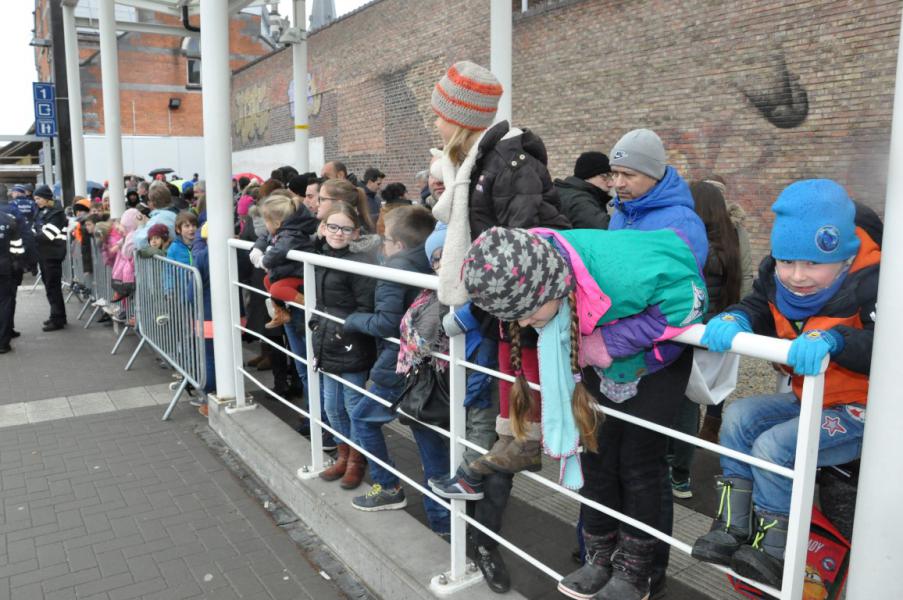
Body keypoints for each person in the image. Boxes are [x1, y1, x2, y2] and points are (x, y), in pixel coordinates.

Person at [460, 226, 706, 600]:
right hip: (590, 347)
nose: (524, 324)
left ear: (549, 286)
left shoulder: (620, 271)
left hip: (654, 360)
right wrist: (593, 347)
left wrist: (608, 342)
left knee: (639, 465)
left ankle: (636, 572)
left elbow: (690, 301)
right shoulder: (538, 271)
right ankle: (600, 558)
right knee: (594, 454)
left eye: (526, 314)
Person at [691, 179, 879, 588]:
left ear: (844, 258)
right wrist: (736, 317)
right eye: (788, 261)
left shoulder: (877, 282)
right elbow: (760, 304)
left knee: (773, 446)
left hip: (866, 411)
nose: (797, 276)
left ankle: (773, 549)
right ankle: (732, 526)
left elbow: (885, 347)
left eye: (813, 263)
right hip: (811, 397)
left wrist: (837, 340)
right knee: (738, 415)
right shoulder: (775, 278)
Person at [429, 59, 569, 592]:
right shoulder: (480, 163)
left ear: (460, 118)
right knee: (489, 431)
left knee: (500, 433)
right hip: (496, 324)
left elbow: (517, 256)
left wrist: (471, 305)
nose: (436, 125)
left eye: (441, 115)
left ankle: (486, 542)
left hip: (513, 326)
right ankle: (480, 538)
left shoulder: (508, 164)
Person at [606, 127, 709, 595]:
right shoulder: (622, 214)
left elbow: (679, 301)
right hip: (614, 357)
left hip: (656, 360)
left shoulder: (679, 222)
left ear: (653, 173)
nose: (618, 183)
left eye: (628, 174)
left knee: (644, 466)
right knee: (610, 459)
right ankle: (614, 553)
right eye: (614, 173)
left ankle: (649, 566)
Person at [342, 205, 436, 511]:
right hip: (429, 362)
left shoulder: (394, 269)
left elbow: (386, 324)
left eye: (385, 239)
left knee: (362, 418)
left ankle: (388, 486)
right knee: (425, 430)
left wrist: (354, 320)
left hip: (398, 363)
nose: (381, 245)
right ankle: (442, 517)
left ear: (398, 244)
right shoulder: (433, 261)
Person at [667, 181, 742, 499]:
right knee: (693, 401)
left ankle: (677, 472)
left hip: (688, 330)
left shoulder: (693, 245)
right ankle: (681, 474)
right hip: (714, 330)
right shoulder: (731, 242)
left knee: (681, 404)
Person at [311, 202, 380, 490]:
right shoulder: (317, 254)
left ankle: (356, 460)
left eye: (346, 228)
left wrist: (343, 328)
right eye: (333, 226)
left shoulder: (362, 262)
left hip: (351, 341)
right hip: (326, 338)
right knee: (331, 405)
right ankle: (343, 453)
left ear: (355, 232)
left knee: (352, 405)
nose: (339, 233)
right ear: (323, 228)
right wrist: (317, 323)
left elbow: (366, 305)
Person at [256, 194, 318, 329]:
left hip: (302, 275)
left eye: (266, 221)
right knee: (267, 280)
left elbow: (279, 251)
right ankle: (281, 312)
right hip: (293, 272)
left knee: (276, 288)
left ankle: (309, 304)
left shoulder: (290, 234)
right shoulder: (285, 232)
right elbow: (269, 240)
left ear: (277, 223)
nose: (265, 226)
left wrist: (264, 261)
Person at [33, 185, 68, 332]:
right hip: (45, 254)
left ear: (47, 198)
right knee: (50, 287)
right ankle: (58, 316)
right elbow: (35, 228)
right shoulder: (43, 212)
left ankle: (57, 319)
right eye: (35, 199)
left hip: (52, 255)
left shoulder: (57, 214)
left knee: (53, 287)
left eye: (39, 198)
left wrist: (32, 236)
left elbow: (48, 235)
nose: (37, 202)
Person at [554, 151, 614, 229]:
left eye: (612, 177)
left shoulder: (565, 191)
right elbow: (606, 231)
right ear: (587, 175)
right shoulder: (579, 201)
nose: (611, 184)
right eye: (605, 176)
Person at [0, 197, 25, 353]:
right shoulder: (9, 220)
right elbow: (17, 248)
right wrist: (17, 266)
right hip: (4, 268)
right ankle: (3, 342)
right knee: (5, 304)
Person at [133, 181, 178, 250]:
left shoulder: (157, 219)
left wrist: (140, 225)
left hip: (164, 258)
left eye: (149, 200)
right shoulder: (175, 215)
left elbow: (140, 242)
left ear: (153, 202)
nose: (148, 203)